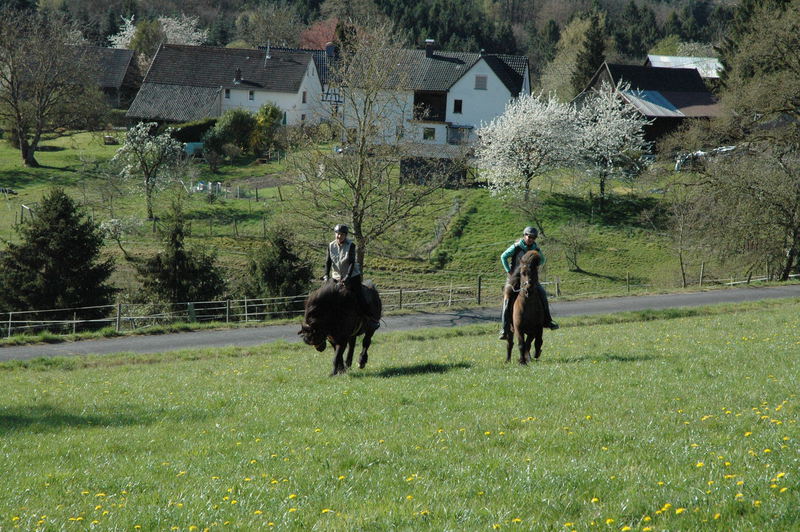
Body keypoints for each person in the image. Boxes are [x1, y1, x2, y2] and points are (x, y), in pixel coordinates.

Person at [499, 226, 558, 339]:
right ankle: (504, 328)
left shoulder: (536, 249)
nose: (530, 239)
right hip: (514, 279)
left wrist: (534, 267)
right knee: (507, 299)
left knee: (542, 294)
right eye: (529, 236)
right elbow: (503, 256)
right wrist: (509, 271)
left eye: (533, 237)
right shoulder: (516, 247)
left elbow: (543, 260)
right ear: (524, 235)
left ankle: (548, 321)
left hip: (528, 279)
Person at [323, 224, 380, 329]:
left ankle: (371, 319)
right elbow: (328, 262)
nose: (339, 236)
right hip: (336, 277)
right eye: (337, 234)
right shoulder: (331, 245)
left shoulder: (351, 245)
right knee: (325, 296)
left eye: (341, 234)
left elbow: (351, 263)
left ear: (345, 235)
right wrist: (326, 275)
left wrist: (347, 277)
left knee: (360, 295)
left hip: (352, 276)